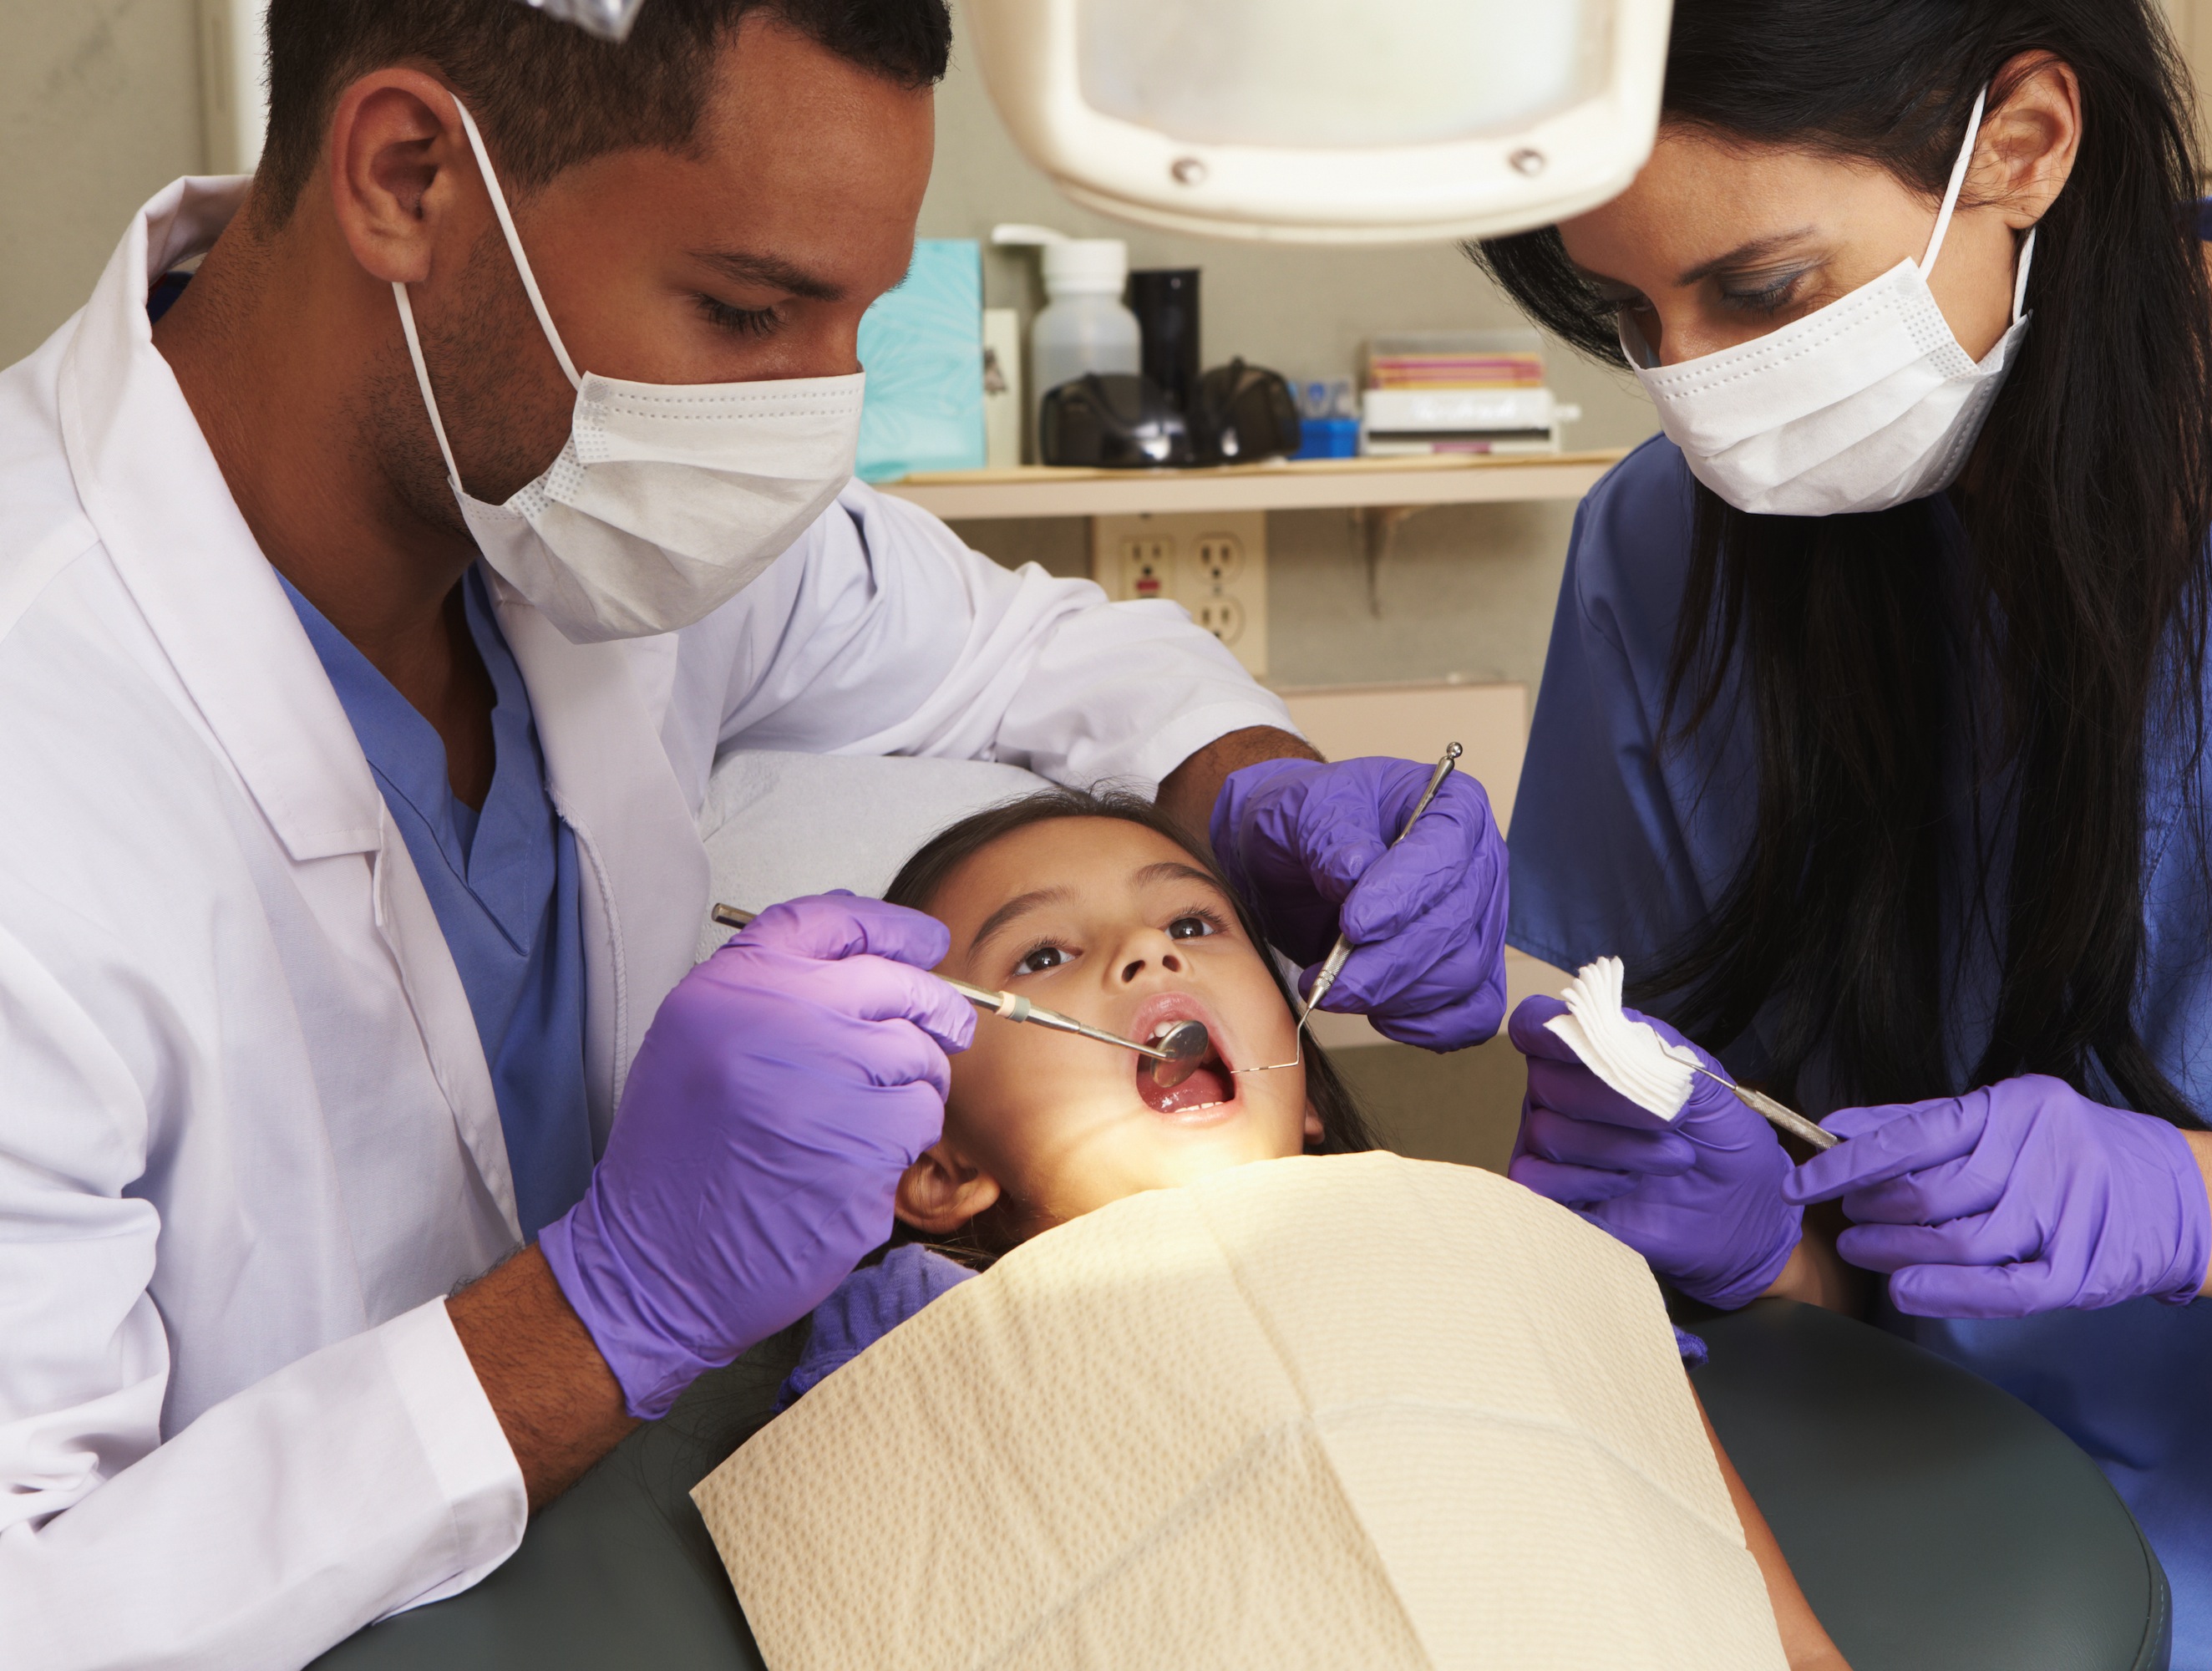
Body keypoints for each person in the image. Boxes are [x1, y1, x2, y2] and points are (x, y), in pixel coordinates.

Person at [0, 3, 1507, 1663]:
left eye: (860, 321)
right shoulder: (47, 747)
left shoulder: (583, 499)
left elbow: (1037, 652)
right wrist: (608, 1303)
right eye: (745, 308)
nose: (817, 427)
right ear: (408, 178)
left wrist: (1243, 789)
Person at [1476, 2, 2212, 1664]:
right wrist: (1765, 1246)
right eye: (1624, 314)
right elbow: (1724, 1189)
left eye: (1759, 289)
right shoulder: (1664, 559)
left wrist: (2195, 1203)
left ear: (2023, 140)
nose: (1697, 386)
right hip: (1900, 1567)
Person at [728, 788, 1848, 1671]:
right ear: (937, 1167)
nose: (1148, 955)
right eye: (1041, 957)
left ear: (1304, 1086)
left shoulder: (1509, 1265)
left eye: (1191, 922)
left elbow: (1786, 1642)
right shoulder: (915, 1342)